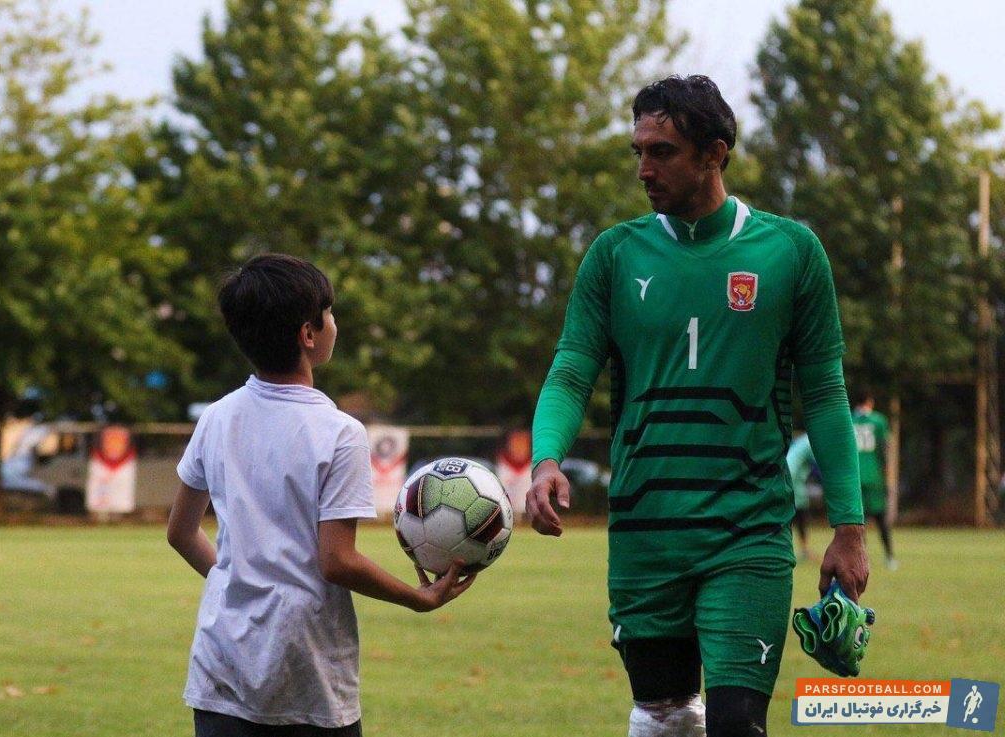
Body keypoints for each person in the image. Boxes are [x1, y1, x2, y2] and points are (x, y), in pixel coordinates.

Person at [526, 75, 870, 737]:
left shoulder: (791, 252)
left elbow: (826, 395)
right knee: (665, 717)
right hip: (646, 530)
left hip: (748, 530)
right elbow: (570, 372)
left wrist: (849, 527)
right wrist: (546, 460)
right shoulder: (613, 255)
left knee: (737, 723)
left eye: (662, 152)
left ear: (715, 154)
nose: (644, 169)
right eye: (638, 151)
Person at [167, 253, 474, 737]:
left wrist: (236, 581)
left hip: (222, 667)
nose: (335, 323)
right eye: (328, 313)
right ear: (308, 335)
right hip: (305, 673)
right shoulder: (340, 433)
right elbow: (337, 561)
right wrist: (418, 598)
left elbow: (181, 533)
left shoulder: (217, 417)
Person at [851, 389, 896, 569]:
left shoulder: (849, 420)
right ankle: (889, 557)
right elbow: (883, 449)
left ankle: (861, 559)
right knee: (881, 518)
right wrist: (884, 471)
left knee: (858, 521)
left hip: (854, 477)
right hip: (874, 475)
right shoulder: (879, 421)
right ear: (870, 401)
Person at [785, 432, 816, 560]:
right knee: (799, 516)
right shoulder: (811, 442)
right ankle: (803, 549)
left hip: (789, 477)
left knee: (797, 516)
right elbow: (821, 461)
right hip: (793, 481)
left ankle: (802, 549)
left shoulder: (803, 441)